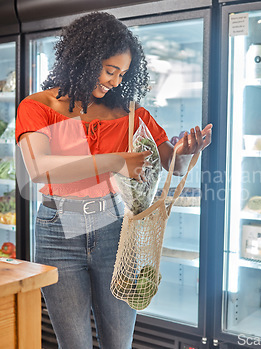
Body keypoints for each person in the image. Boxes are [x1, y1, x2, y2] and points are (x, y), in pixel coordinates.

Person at [15, 11, 212, 349]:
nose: (116, 82)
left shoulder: (132, 114)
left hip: (115, 230)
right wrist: (117, 161)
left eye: (122, 73)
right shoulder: (39, 106)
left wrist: (187, 151)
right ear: (84, 59)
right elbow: (39, 169)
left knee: (118, 343)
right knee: (73, 344)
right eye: (110, 70)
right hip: (57, 229)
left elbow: (171, 165)